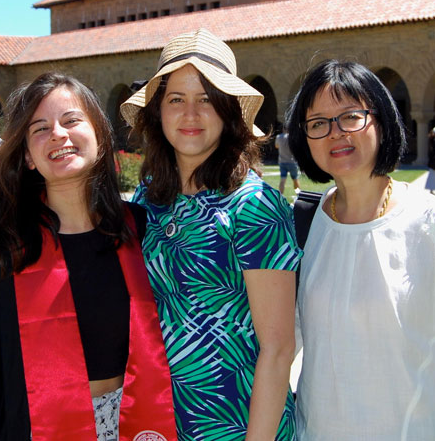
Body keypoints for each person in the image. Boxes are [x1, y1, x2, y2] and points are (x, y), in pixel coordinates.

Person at [284, 59, 435, 440]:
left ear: (381, 121)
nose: (336, 133)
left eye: (351, 117)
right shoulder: (302, 226)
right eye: (318, 123)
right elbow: (281, 343)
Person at [0, 73, 176, 441]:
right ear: (27, 156)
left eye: (71, 120)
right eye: (40, 128)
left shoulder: (143, 229)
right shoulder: (3, 254)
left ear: (100, 137)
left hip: (139, 420)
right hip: (38, 428)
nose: (58, 134)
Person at [121, 28, 301, 441]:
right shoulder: (148, 197)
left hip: (240, 424)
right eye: (176, 99)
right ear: (157, 111)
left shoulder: (254, 206)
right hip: (160, 421)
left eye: (206, 99)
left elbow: (278, 350)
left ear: (228, 111)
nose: (191, 114)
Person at [275, 121, 301, 195]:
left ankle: (280, 196)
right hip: (292, 162)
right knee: (295, 179)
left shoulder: (278, 137)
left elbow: (276, 146)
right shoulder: (292, 138)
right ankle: (298, 195)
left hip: (282, 161)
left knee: (282, 180)